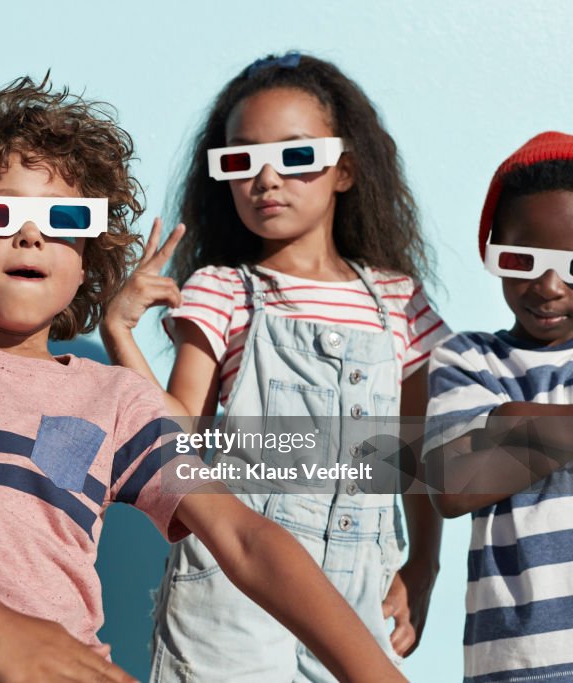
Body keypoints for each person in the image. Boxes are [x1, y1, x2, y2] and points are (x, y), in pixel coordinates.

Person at [0, 75, 407, 683]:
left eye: (63, 216)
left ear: (88, 255)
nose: (30, 233)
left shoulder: (115, 402)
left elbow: (243, 537)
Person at [102, 53, 450, 681]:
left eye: (295, 156)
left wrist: (424, 566)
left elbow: (419, 450)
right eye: (240, 161)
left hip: (360, 589)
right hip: (230, 591)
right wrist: (118, 333)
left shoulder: (400, 301)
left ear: (344, 169)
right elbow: (178, 435)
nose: (266, 179)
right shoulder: (219, 290)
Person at [425, 131, 573, 683]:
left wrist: (518, 429)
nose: (549, 286)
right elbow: (454, 480)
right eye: (523, 259)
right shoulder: (469, 358)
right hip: (518, 663)